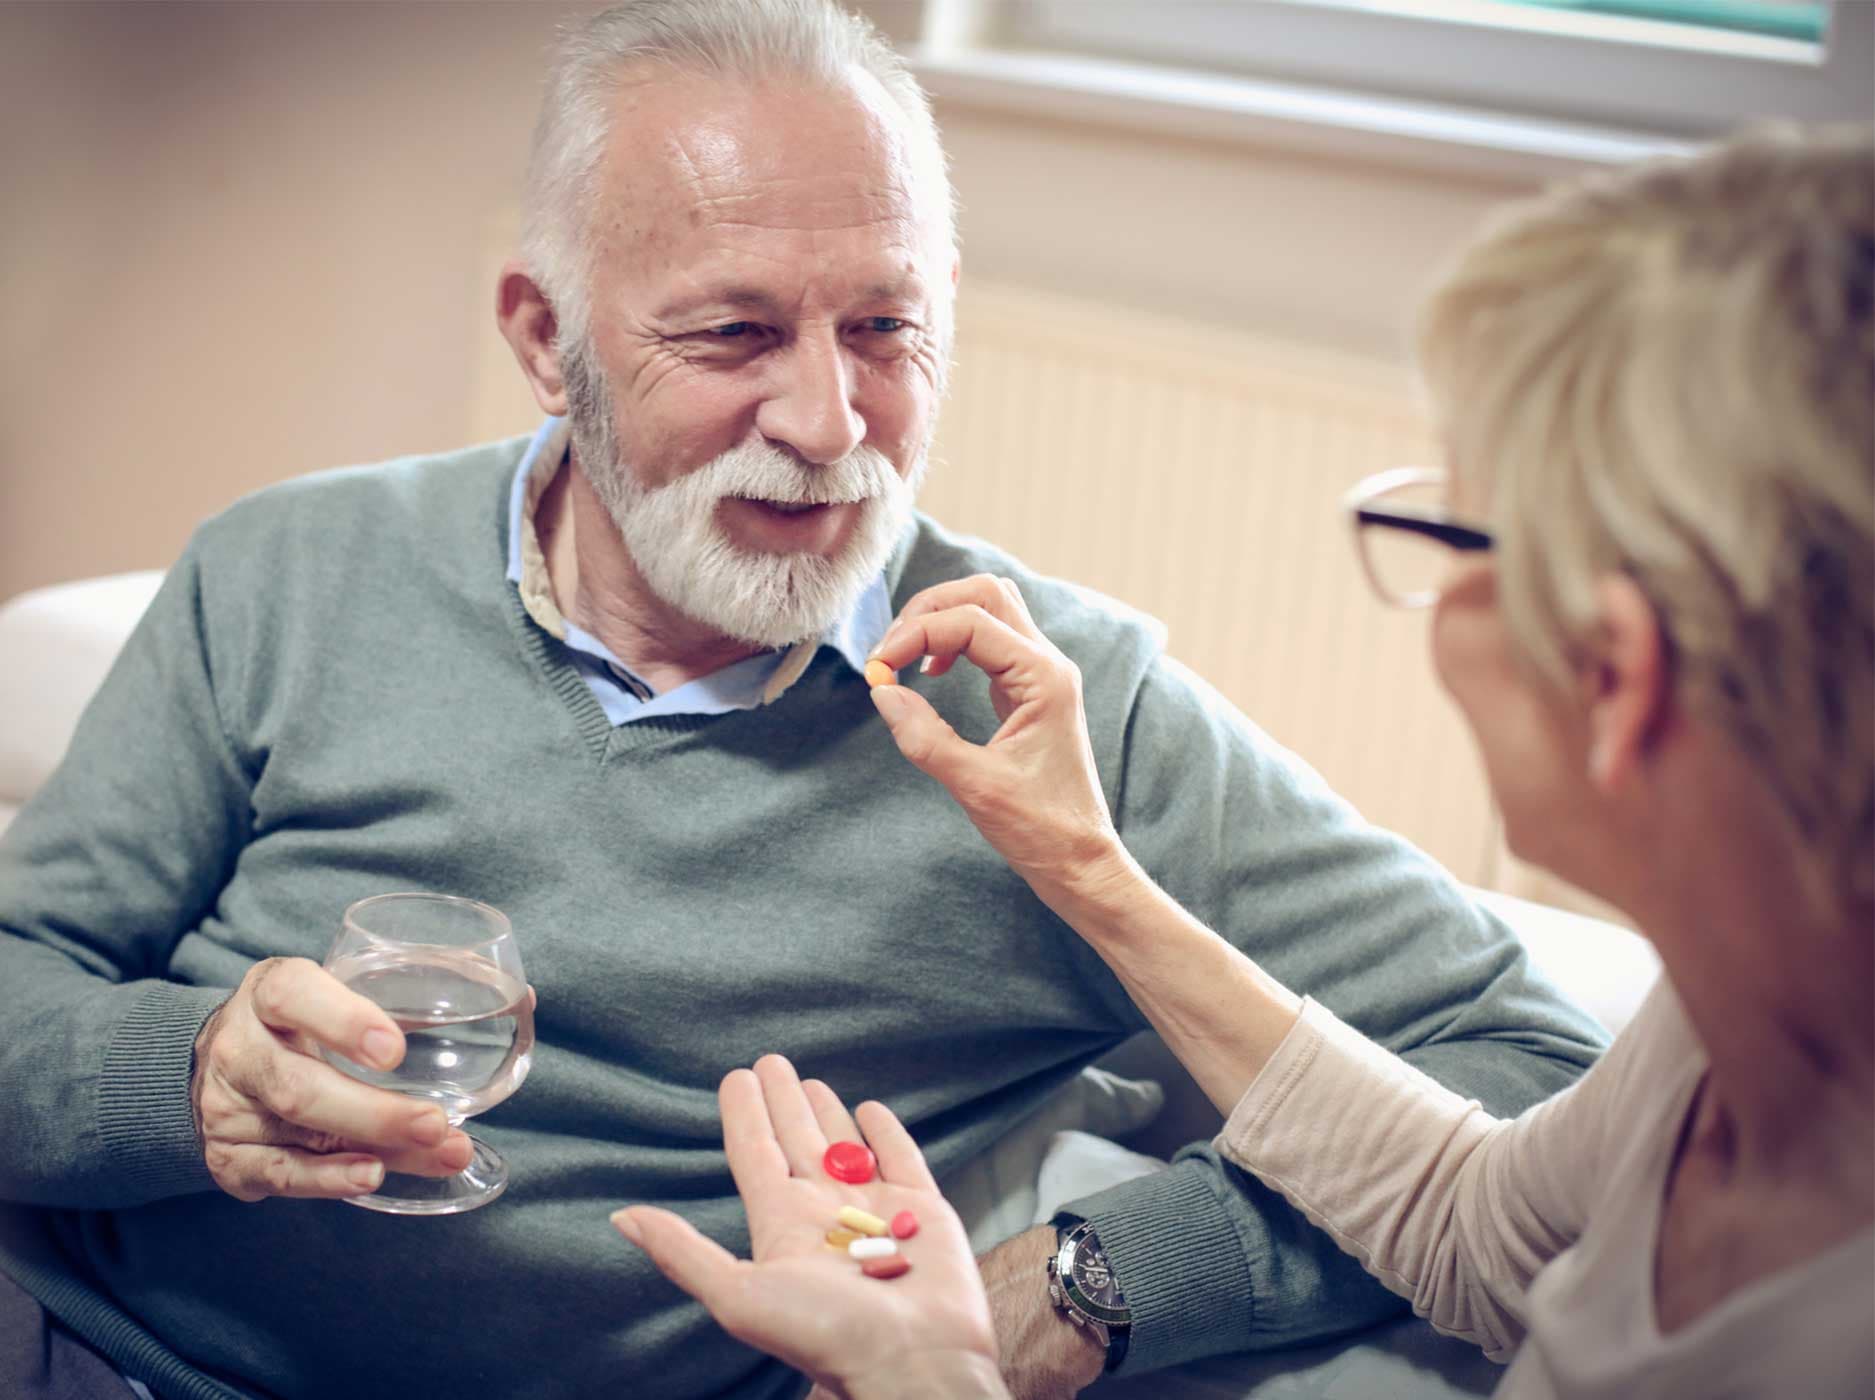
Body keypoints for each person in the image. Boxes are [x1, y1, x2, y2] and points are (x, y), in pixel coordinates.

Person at [0, 3, 1606, 1397]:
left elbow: (1529, 1068)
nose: (832, 421)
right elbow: (25, 970)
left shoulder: (1056, 706)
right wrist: (185, 1077)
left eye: (887, 327)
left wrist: (1091, 1288)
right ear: (543, 336)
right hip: (71, 1331)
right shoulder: (289, 565)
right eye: (733, 332)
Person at [615, 125, 1875, 1398]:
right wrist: (1086, 864)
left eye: (1460, 535)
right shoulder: (1719, 1037)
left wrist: (931, 1377)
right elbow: (1479, 1225)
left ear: (1617, 675)